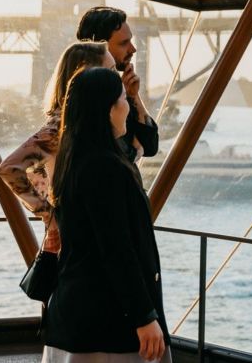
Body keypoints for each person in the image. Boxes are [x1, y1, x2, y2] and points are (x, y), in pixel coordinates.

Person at [43, 67, 170, 362]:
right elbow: (116, 248)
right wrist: (144, 316)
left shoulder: (72, 161)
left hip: (73, 316)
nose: (128, 105)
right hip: (107, 323)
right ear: (108, 109)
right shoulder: (105, 167)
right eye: (124, 98)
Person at [0, 41, 114, 253]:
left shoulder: (83, 122)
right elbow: (9, 169)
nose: (117, 79)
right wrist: (49, 216)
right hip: (75, 240)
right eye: (111, 70)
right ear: (86, 74)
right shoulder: (61, 126)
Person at [76, 6, 158, 163]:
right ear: (99, 47)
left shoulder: (118, 93)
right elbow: (125, 154)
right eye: (124, 43)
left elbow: (151, 146)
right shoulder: (85, 101)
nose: (133, 49)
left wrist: (133, 96)